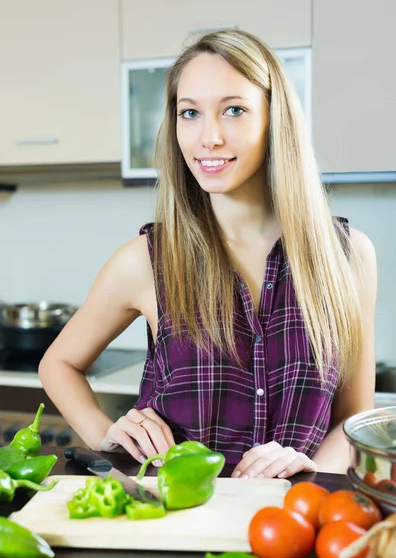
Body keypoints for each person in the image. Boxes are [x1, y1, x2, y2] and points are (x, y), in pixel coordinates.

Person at [39, 29, 377, 480]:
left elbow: (354, 419)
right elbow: (58, 364)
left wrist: (312, 467)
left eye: (234, 109)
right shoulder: (145, 260)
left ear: (276, 119)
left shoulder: (348, 257)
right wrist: (107, 435)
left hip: (292, 523)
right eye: (190, 113)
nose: (209, 137)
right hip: (170, 522)